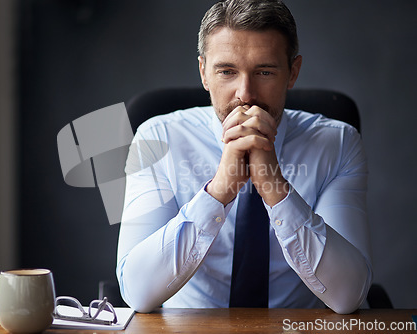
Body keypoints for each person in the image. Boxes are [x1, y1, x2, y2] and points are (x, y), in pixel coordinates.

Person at [116, 0, 371, 314]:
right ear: (204, 73)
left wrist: (275, 189)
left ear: (292, 72)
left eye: (264, 71)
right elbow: (137, 291)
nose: (245, 93)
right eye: (227, 71)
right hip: (191, 327)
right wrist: (220, 190)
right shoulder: (157, 139)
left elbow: (349, 295)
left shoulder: (338, 142)